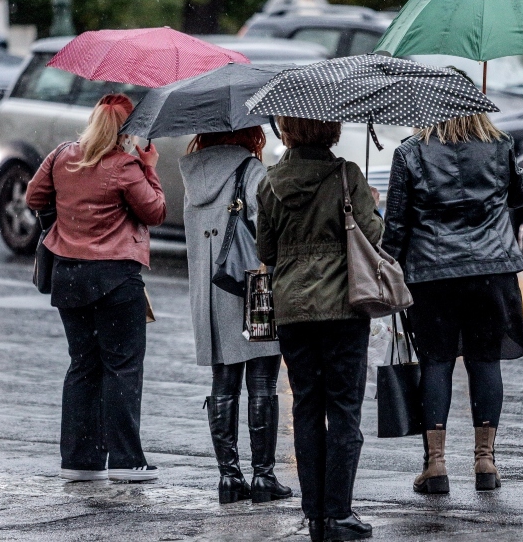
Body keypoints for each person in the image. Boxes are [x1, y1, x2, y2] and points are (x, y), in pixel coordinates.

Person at [381, 111, 523, 495]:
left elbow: (397, 223)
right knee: (485, 359)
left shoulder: (411, 153)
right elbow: (521, 195)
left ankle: (435, 466)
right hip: (491, 271)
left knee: (436, 362)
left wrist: (386, 270)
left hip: (433, 275)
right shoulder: (500, 146)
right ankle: (485, 461)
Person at [25, 94, 166, 483]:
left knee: (83, 365)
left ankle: (80, 459)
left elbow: (33, 196)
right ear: (126, 131)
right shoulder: (125, 166)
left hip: (68, 275)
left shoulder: (61, 155)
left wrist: (68, 212)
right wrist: (149, 167)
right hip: (116, 278)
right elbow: (154, 211)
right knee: (121, 366)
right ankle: (126, 461)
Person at [256, 117, 382, 542]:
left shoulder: (270, 183)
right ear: (330, 129)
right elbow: (373, 235)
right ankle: (339, 513)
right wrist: (370, 203)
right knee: (344, 407)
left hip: (292, 308)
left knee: (306, 406)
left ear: (287, 131)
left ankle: (315, 515)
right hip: (344, 306)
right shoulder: (347, 174)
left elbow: (266, 250)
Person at [179, 127, 292, 504]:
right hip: (253, 287)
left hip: (211, 292)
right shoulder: (252, 172)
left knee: (223, 382)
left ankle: (229, 477)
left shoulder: (192, 176)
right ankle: (263, 476)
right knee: (262, 382)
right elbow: (268, 233)